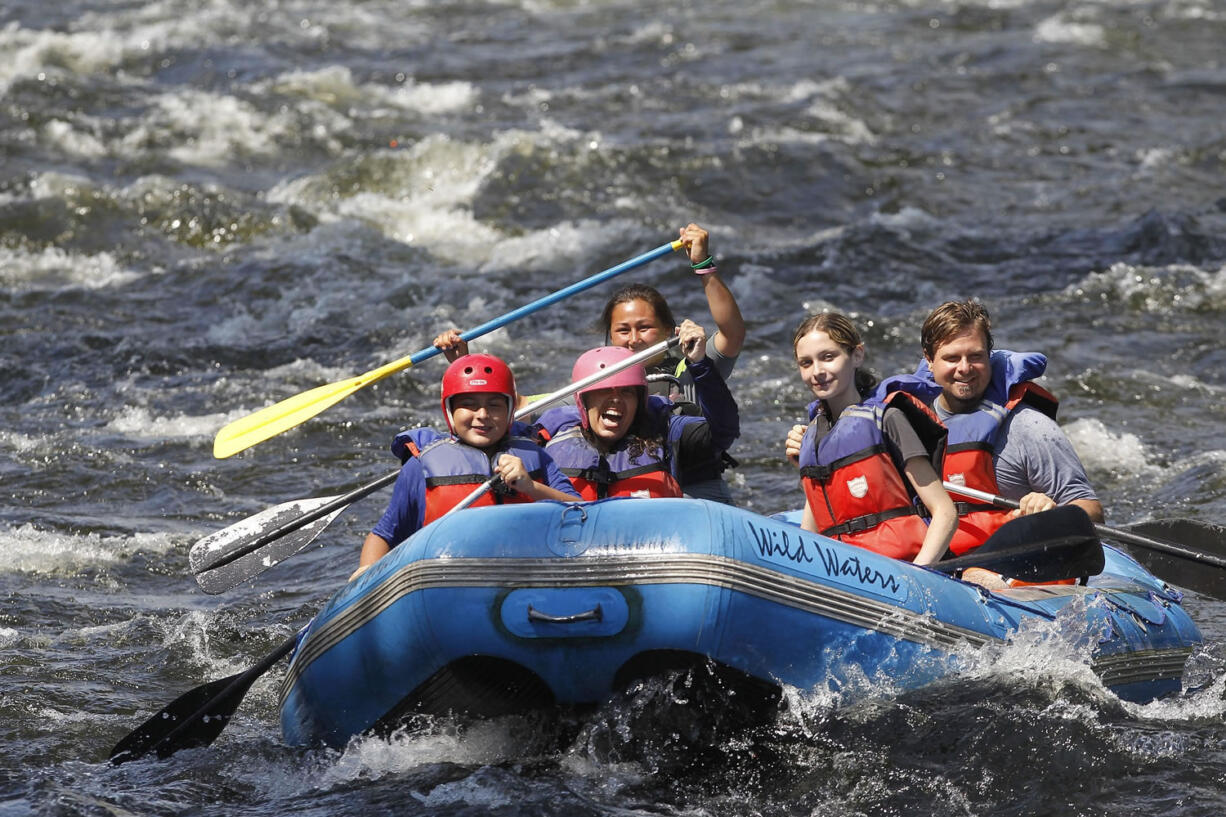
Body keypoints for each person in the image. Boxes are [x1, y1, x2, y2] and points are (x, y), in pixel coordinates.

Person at [435, 222, 747, 505]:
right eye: (623, 331)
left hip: (694, 480)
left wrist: (703, 265)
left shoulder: (691, 362)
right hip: (631, 482)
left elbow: (732, 333)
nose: (634, 339)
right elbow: (512, 408)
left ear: (669, 330)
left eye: (645, 328)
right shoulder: (595, 384)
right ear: (609, 340)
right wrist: (464, 365)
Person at [350, 353, 579, 581]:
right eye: (469, 405)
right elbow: (385, 534)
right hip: (449, 583)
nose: (482, 415)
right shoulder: (422, 466)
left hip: (526, 575)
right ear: (450, 410)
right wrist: (366, 571)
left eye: (495, 405)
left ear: (510, 410)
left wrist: (533, 488)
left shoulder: (534, 455)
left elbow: (585, 511)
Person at [908, 300, 1103, 559]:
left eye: (975, 356)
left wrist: (1053, 512)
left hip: (999, 570)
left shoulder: (1029, 427)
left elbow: (1092, 511)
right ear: (929, 360)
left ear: (989, 355)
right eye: (952, 358)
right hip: (927, 564)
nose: (964, 368)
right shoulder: (907, 424)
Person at [788, 313, 957, 566]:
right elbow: (811, 529)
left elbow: (945, 512)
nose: (817, 371)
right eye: (806, 363)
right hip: (846, 572)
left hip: (903, 568)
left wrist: (919, 574)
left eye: (828, 357)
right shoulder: (812, 436)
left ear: (857, 355)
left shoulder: (887, 418)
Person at [534, 320, 740, 501]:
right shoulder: (549, 436)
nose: (615, 399)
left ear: (640, 400)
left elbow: (724, 431)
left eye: (626, 392)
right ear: (582, 401)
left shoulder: (666, 429)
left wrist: (701, 364)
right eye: (604, 391)